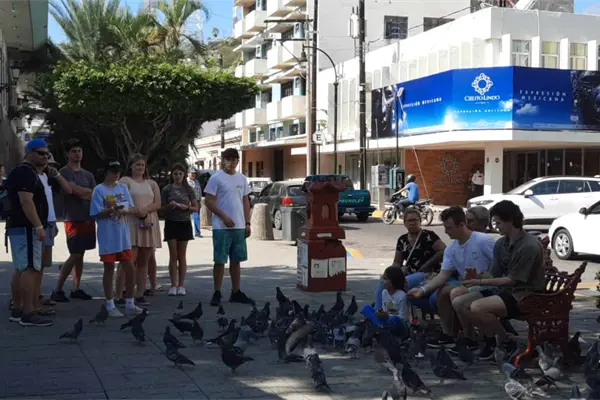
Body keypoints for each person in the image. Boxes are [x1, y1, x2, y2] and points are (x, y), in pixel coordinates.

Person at [456, 200, 545, 360]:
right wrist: (476, 276)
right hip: (505, 290)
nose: (496, 227)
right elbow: (494, 274)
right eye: (495, 223)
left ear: (511, 221)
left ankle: (505, 342)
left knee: (477, 307)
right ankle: (490, 339)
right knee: (459, 303)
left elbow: (513, 280)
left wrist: (479, 282)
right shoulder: (501, 243)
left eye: (498, 223)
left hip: (525, 294)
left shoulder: (529, 246)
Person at [407, 206, 495, 348]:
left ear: (461, 225)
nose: (446, 232)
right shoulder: (451, 248)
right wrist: (422, 290)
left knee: (455, 292)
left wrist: (484, 277)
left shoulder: (482, 241)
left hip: (489, 284)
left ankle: (471, 337)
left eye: (449, 227)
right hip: (468, 285)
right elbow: (443, 275)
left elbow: (500, 265)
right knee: (443, 291)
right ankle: (448, 334)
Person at [6, 139, 51, 326]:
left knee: (21, 268)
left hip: (19, 227)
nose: (45, 157)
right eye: (41, 153)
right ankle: (28, 312)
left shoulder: (22, 172)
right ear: (29, 153)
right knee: (30, 269)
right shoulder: (25, 172)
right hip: (26, 228)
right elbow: (26, 201)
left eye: (47, 154)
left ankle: (18, 310)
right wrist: (38, 226)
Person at [90, 159, 142, 317]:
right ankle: (109, 303)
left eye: (118, 171)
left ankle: (130, 302)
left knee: (129, 267)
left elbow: (131, 207)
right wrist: (110, 210)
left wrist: (125, 210)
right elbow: (96, 213)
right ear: (106, 172)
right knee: (109, 268)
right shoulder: (99, 190)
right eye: (113, 171)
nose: (116, 174)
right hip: (108, 235)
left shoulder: (122, 187)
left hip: (123, 235)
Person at [205, 148, 254, 306]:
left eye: (234, 159)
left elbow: (245, 201)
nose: (231, 162)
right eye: (228, 159)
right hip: (221, 226)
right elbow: (209, 201)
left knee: (236, 260)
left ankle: (236, 291)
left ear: (237, 161)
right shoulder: (216, 178)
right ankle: (217, 291)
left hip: (239, 226)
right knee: (220, 260)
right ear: (223, 160)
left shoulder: (242, 179)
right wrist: (224, 217)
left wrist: (247, 222)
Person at [51, 139, 97, 302]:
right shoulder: (65, 172)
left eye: (79, 151)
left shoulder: (88, 175)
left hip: (88, 217)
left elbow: (94, 194)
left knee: (81, 254)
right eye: (74, 151)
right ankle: (57, 289)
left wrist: (82, 191)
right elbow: (71, 190)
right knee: (75, 253)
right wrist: (83, 192)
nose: (77, 154)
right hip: (73, 218)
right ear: (68, 154)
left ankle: (76, 288)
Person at [375, 208, 445, 311]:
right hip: (409, 272)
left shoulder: (429, 236)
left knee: (401, 283)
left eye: (415, 220)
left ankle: (393, 310)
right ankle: (378, 311)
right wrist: (394, 272)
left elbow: (443, 250)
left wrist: (428, 264)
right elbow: (397, 262)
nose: (413, 223)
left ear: (420, 221)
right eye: (409, 221)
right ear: (404, 223)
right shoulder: (402, 240)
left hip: (427, 274)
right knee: (384, 281)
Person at [114, 154, 162, 306]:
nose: (140, 167)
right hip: (131, 222)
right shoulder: (125, 181)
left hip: (148, 222)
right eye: (137, 165)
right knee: (127, 260)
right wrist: (136, 211)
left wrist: (145, 211)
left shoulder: (152, 183)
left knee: (144, 262)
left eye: (142, 165)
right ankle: (119, 293)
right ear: (131, 166)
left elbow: (158, 203)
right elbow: (120, 201)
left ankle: (139, 293)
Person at [36, 153, 72, 315]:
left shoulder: (48, 179)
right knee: (33, 264)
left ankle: (37, 294)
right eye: (47, 164)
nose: (50, 167)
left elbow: (68, 189)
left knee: (43, 263)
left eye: (52, 165)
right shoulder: (33, 178)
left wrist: (56, 175)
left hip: (49, 222)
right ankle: (24, 298)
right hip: (39, 224)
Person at [161, 163, 198, 296]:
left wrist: (185, 207)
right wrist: (169, 207)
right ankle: (173, 284)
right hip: (171, 222)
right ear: (172, 175)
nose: (178, 176)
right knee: (173, 255)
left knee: (182, 255)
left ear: (184, 175)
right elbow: (161, 208)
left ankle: (181, 285)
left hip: (184, 223)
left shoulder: (189, 189)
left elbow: (195, 207)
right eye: (175, 174)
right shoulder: (167, 189)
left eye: (180, 174)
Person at [362, 266, 409, 338]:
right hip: (386, 321)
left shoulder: (402, 295)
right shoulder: (384, 292)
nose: (382, 281)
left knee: (394, 319)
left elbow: (403, 318)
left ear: (392, 282)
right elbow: (385, 310)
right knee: (366, 308)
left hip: (399, 325)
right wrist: (380, 313)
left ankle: (379, 327)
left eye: (385, 279)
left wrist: (388, 316)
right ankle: (380, 326)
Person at [187, 167, 202, 238]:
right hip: (189, 202)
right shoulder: (185, 182)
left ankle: (197, 232)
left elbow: (199, 192)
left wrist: (200, 200)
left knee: (196, 217)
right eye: (191, 173)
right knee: (189, 218)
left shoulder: (197, 182)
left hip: (197, 201)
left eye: (194, 173)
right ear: (188, 174)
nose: (193, 174)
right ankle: (192, 232)